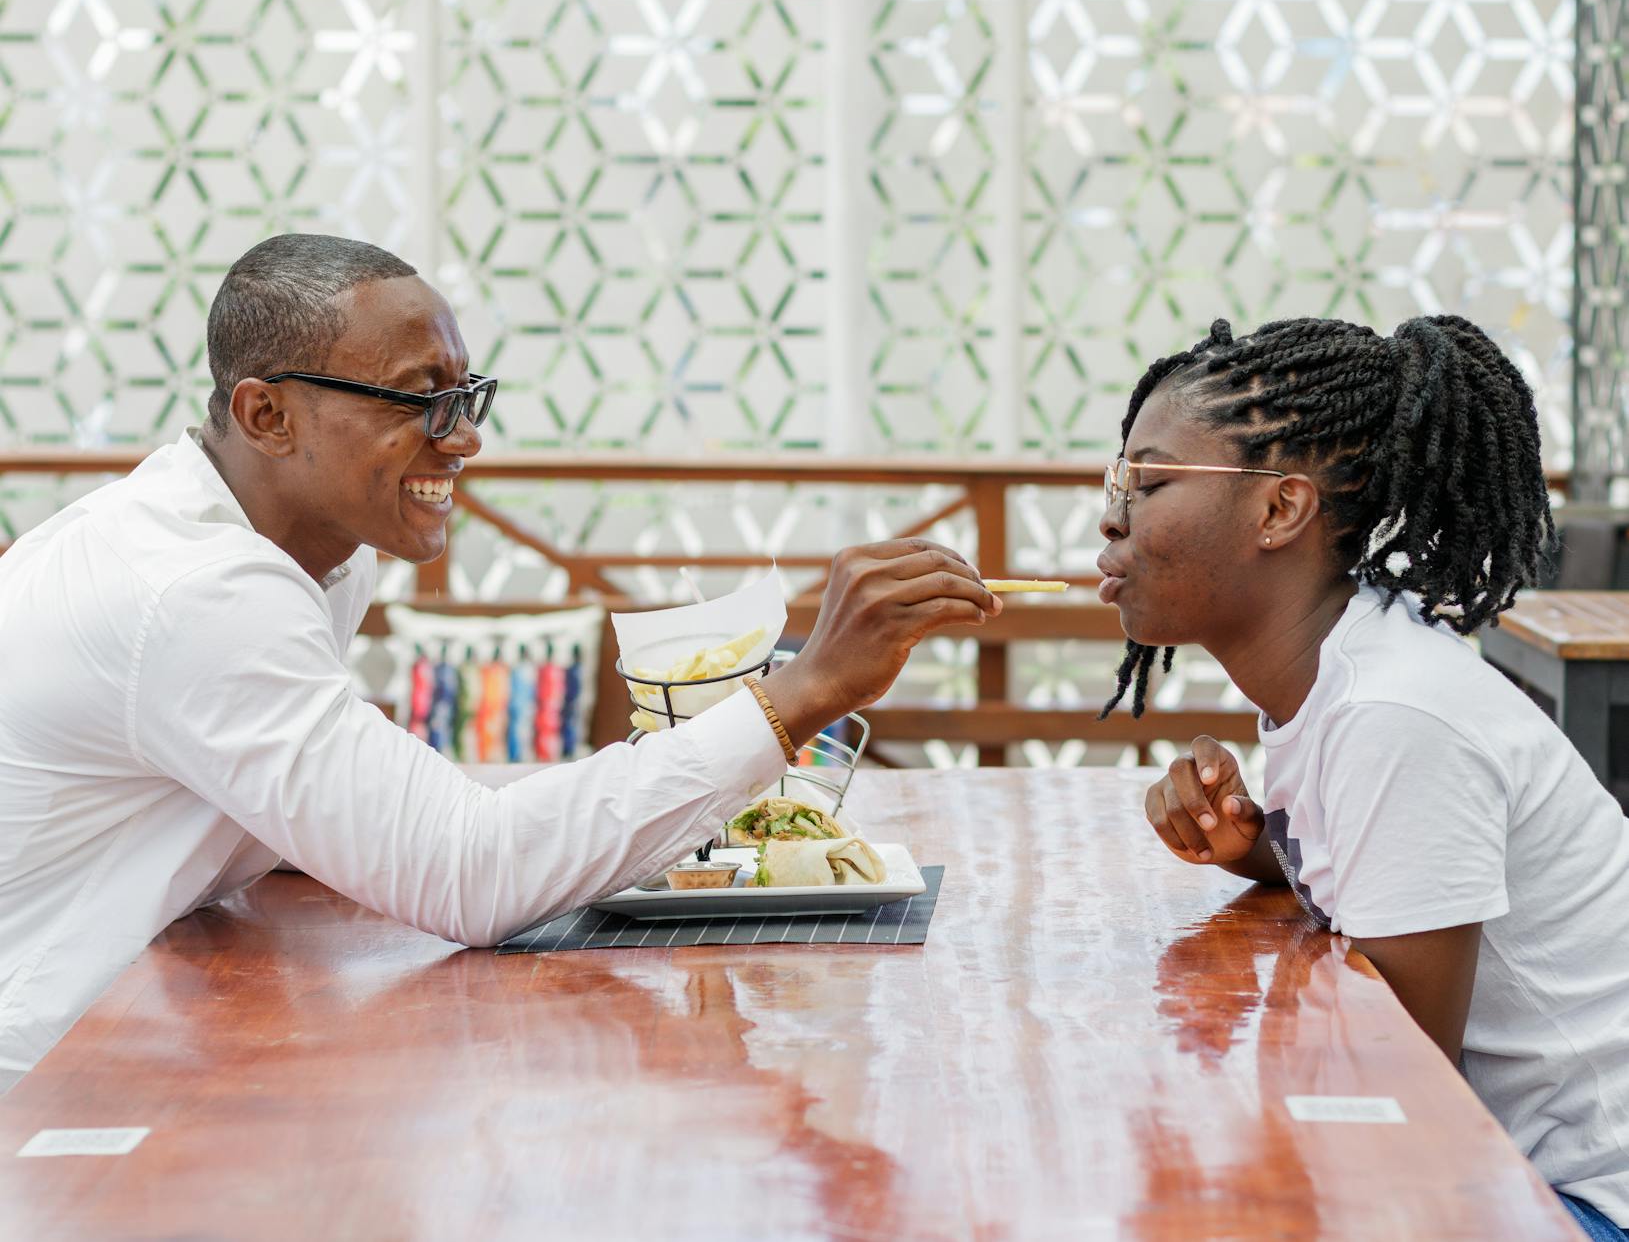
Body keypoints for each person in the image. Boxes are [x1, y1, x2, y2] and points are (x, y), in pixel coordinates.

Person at [0, 233, 1001, 1093]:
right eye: (420, 400)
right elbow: (470, 874)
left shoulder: (298, 553)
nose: (466, 437)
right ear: (268, 416)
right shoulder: (197, 592)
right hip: (53, 1099)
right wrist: (802, 690)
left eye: (468, 393)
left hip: (134, 1035)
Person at [1101, 315, 1629, 1237]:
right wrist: (1258, 847)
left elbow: (1389, 1090)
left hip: (1578, 1201)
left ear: (1278, 510)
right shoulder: (1344, 675)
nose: (1111, 514)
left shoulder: (1394, 714)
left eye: (1147, 481)